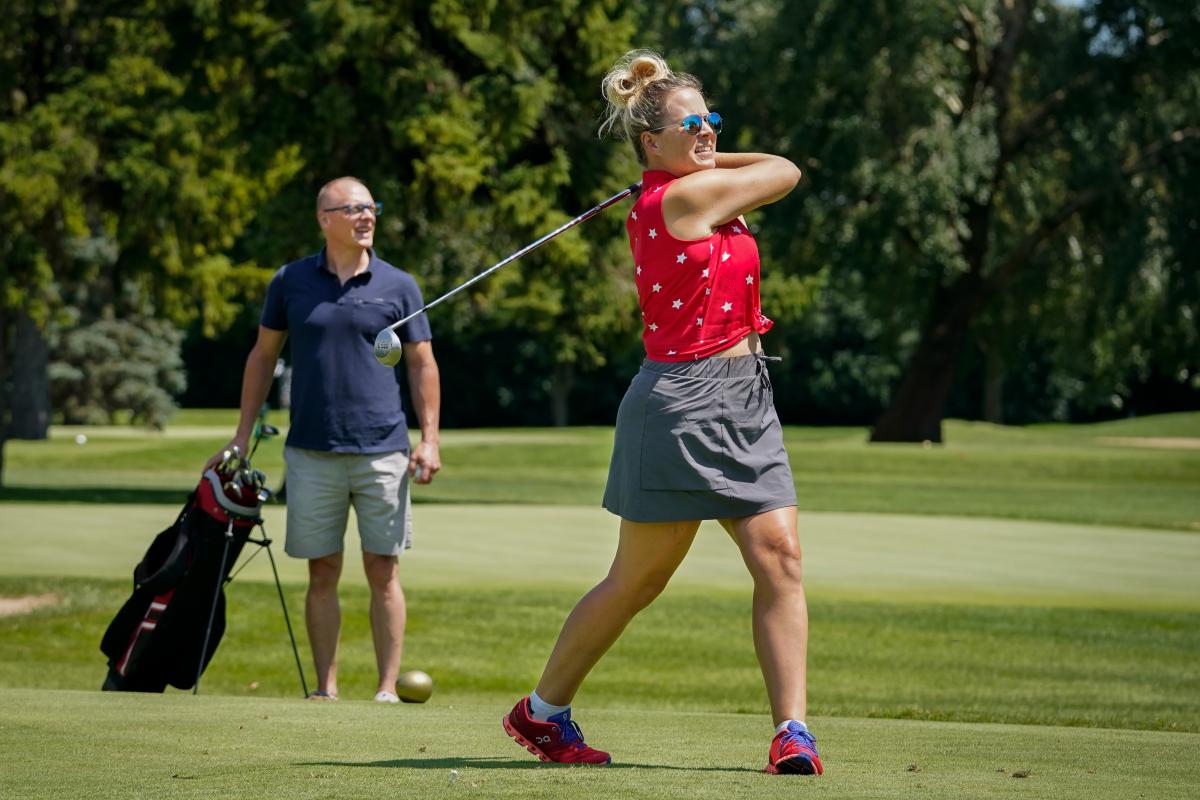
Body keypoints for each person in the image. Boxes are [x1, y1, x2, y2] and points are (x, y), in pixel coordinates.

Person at [501, 51, 821, 775]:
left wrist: (694, 153)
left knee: (781, 559)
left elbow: (770, 163)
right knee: (637, 580)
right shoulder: (676, 202)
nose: (709, 133)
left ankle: (792, 732)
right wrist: (691, 168)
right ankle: (542, 712)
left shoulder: (691, 185)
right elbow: (785, 171)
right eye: (693, 124)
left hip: (747, 397)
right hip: (679, 404)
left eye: (713, 121)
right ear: (650, 141)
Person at [204, 176, 441, 703]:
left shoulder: (398, 284)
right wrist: (241, 436)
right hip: (311, 449)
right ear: (325, 219)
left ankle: (385, 689)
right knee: (323, 569)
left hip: (383, 448)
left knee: (383, 569)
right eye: (354, 208)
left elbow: (422, 364)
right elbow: (262, 358)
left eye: (371, 207)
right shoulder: (289, 282)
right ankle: (325, 689)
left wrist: (429, 439)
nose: (366, 216)